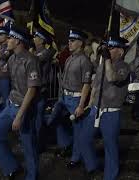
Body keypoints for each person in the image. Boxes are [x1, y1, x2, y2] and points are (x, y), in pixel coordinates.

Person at [0, 26, 41, 180]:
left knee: (28, 145)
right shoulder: (12, 58)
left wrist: (19, 116)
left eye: (9, 38)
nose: (6, 40)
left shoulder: (31, 60)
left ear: (17, 41)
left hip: (25, 108)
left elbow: (32, 90)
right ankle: (11, 167)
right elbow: (4, 74)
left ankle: (32, 176)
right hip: (10, 105)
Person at [80, 36, 130, 180]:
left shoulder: (124, 67)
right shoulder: (102, 65)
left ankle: (110, 176)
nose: (107, 50)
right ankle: (92, 166)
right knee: (84, 138)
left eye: (111, 48)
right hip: (96, 109)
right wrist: (89, 103)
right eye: (107, 47)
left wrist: (107, 59)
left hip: (111, 113)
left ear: (120, 51)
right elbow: (95, 85)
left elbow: (111, 78)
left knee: (110, 147)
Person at [47, 28, 93, 167]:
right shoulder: (69, 58)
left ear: (80, 43)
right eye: (69, 40)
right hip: (64, 97)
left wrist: (81, 105)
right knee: (55, 120)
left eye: (72, 41)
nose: (69, 43)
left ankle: (76, 158)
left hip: (75, 99)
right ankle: (66, 144)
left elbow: (86, 85)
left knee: (78, 129)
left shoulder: (84, 61)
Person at [31, 28, 55, 151]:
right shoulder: (35, 51)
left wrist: (29, 53)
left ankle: (40, 143)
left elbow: (35, 60)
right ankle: (33, 139)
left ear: (42, 40)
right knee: (33, 116)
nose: (33, 39)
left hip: (41, 89)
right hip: (33, 88)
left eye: (36, 37)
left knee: (39, 117)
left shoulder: (46, 52)